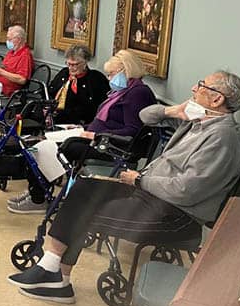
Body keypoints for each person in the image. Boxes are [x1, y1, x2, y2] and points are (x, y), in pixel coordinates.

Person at [7, 71, 240, 304]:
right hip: (152, 194)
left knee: (86, 209)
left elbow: (185, 190)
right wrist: (172, 111)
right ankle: (52, 269)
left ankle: (57, 279)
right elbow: (146, 116)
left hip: (177, 215)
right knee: (84, 188)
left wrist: (140, 180)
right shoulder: (198, 123)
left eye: (202, 85)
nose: (194, 89)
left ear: (217, 99)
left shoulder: (222, 138)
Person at [8, 49, 155, 215]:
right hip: (97, 139)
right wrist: (82, 129)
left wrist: (95, 135)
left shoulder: (138, 93)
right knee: (41, 143)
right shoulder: (124, 91)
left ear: (126, 71)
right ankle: (38, 190)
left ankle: (38, 197)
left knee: (57, 148)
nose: (109, 78)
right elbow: (105, 122)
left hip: (113, 147)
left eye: (112, 74)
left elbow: (132, 131)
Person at [47, 44, 109, 125]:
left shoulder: (95, 79)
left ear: (85, 62)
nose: (70, 68)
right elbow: (50, 92)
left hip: (76, 123)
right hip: (53, 117)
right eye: (68, 63)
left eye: (75, 64)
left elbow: (91, 109)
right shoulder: (64, 73)